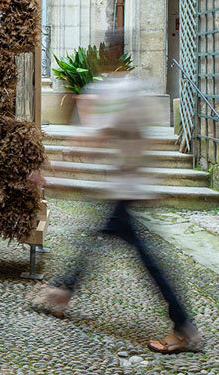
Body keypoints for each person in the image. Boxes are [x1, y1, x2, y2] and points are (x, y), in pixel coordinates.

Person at [31, 44, 202, 355]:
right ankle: (64, 291)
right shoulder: (130, 88)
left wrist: (56, 171)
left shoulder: (119, 91)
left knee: (145, 257)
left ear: (107, 55)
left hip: (127, 187)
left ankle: (183, 325)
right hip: (128, 185)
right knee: (98, 238)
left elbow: (100, 134)